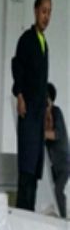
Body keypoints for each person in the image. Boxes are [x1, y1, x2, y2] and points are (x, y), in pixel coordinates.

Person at [11, 0, 52, 211]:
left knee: (35, 168)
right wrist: (19, 96)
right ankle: (21, 214)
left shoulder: (44, 43)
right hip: (28, 111)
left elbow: (42, 81)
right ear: (35, 11)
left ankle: (30, 214)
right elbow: (17, 66)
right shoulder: (26, 39)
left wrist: (47, 108)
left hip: (38, 114)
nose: (46, 16)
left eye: (49, 12)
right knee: (26, 167)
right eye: (44, 11)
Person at [45, 83, 68, 218]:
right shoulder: (44, 116)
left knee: (58, 191)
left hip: (64, 163)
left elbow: (56, 134)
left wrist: (40, 133)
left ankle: (64, 220)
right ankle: (59, 217)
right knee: (53, 192)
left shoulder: (56, 112)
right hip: (53, 164)